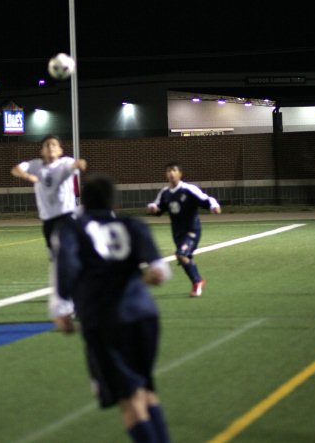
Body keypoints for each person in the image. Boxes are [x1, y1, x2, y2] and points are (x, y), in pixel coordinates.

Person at [53, 174, 172, 443]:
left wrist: (62, 308)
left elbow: (67, 266)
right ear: (113, 201)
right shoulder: (132, 224)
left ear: (84, 199)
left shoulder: (74, 228)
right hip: (144, 314)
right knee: (144, 390)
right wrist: (143, 276)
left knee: (128, 401)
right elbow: (160, 269)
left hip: (105, 319)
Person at [10, 134, 87, 316]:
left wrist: (79, 164)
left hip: (67, 217)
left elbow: (76, 164)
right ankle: (69, 300)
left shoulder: (65, 162)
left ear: (60, 150)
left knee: (67, 259)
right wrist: (27, 176)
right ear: (42, 150)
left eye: (54, 145)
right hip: (48, 221)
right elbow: (15, 169)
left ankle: (76, 302)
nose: (51, 147)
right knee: (57, 263)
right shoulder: (35, 165)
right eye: (47, 145)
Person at [147, 162, 221, 297]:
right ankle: (196, 280)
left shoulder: (188, 189)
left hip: (192, 230)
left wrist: (214, 206)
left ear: (180, 174)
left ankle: (197, 281)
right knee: (182, 257)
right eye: (168, 171)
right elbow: (158, 207)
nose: (171, 173)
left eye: (174, 170)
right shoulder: (165, 193)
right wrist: (153, 208)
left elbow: (206, 199)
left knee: (181, 255)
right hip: (177, 232)